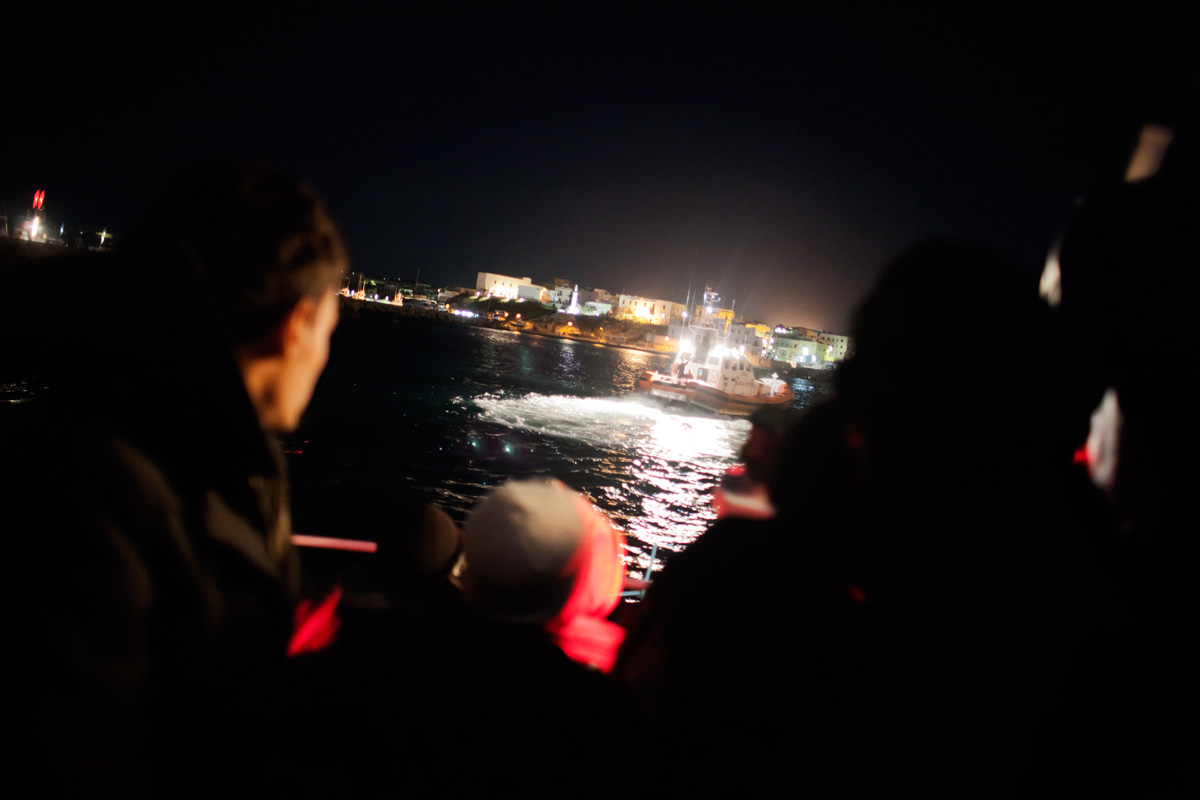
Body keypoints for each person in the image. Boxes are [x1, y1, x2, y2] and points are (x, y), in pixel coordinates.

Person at [5, 162, 347, 796]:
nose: (324, 357)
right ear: (295, 324)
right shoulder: (98, 492)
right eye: (330, 331)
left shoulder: (220, 449)